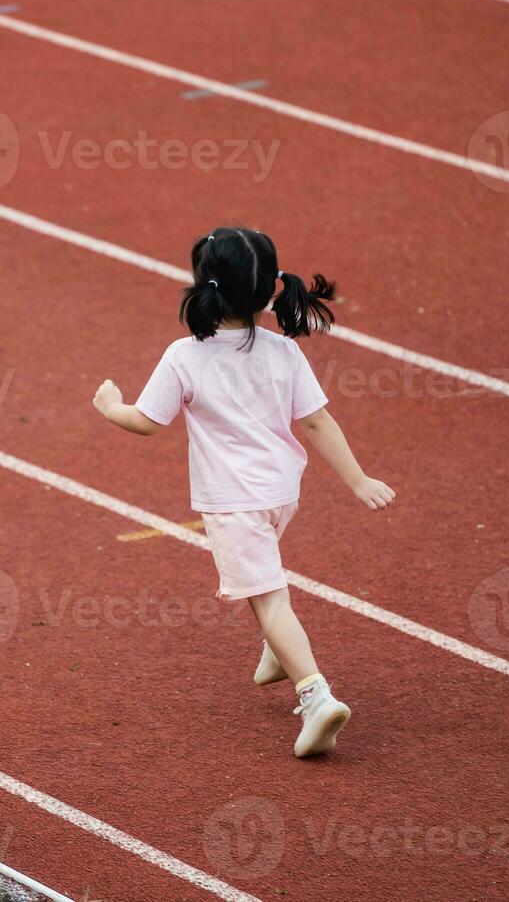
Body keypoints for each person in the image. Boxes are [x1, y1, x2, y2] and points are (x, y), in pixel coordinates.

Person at [91, 226, 395, 757]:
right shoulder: (283, 350)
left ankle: (316, 696)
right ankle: (277, 654)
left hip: (234, 502)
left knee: (270, 599)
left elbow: (145, 421)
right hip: (282, 493)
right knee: (262, 588)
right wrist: (358, 479)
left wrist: (109, 406)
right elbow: (318, 422)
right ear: (268, 290)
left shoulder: (185, 356)